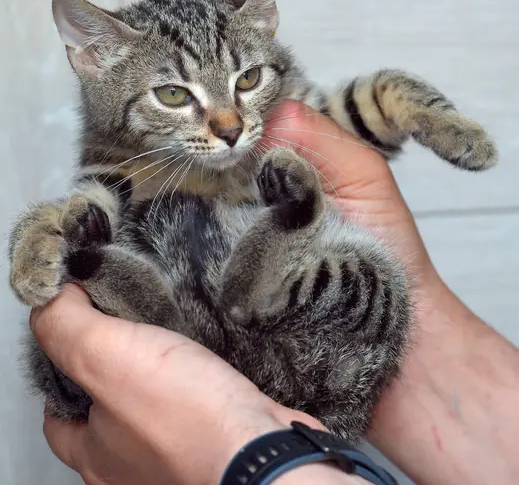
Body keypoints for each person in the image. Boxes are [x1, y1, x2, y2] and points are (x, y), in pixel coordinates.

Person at [30, 100, 519, 485]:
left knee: (68, 332)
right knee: (378, 284)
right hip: (310, 365)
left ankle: (143, 294)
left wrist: (235, 457)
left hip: (233, 343)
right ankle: (268, 263)